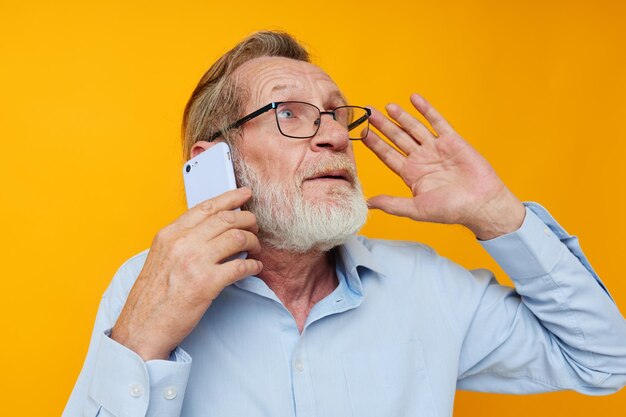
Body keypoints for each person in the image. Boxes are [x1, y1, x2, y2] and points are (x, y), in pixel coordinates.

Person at [63, 31, 626, 417]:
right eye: (289, 114)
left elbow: (605, 360)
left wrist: (497, 212)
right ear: (214, 161)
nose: (333, 134)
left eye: (335, 113)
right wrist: (139, 341)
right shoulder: (146, 284)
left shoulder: (428, 287)